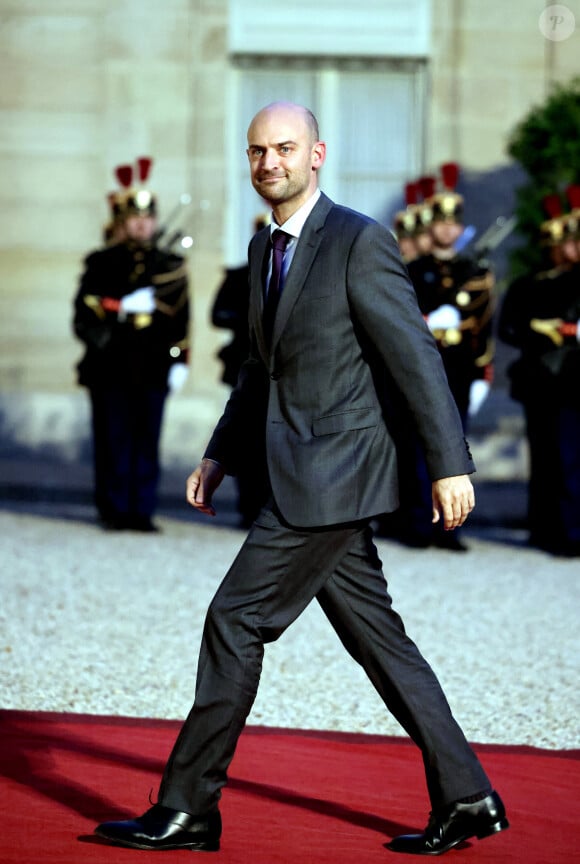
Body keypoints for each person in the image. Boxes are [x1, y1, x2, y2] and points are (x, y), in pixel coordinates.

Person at [95, 102, 508, 855]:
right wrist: (219, 453)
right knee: (383, 644)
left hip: (336, 476)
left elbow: (416, 356)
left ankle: (189, 807)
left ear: (317, 154)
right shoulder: (264, 251)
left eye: (284, 148)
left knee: (235, 618)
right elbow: (260, 367)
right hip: (299, 473)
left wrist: (450, 464)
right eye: (257, 152)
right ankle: (468, 794)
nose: (269, 163)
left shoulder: (360, 240)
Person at [73, 158, 191, 532]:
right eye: (134, 218)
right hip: (110, 365)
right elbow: (85, 313)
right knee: (113, 440)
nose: (142, 224)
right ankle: (113, 508)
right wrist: (122, 308)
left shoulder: (169, 263)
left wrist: (180, 360)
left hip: (153, 365)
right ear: (122, 222)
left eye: (148, 217)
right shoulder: (102, 262)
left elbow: (181, 318)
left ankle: (141, 510)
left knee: (146, 440)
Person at [398, 164, 495, 551]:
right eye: (442, 222)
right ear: (431, 226)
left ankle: (451, 528)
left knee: (458, 452)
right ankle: (421, 523)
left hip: (458, 369)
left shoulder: (474, 271)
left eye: (455, 224)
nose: (448, 229)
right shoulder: (413, 270)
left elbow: (483, 328)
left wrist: (482, 374)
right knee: (423, 447)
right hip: (424, 370)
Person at [498, 188, 580, 556]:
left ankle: (570, 531)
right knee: (545, 458)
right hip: (540, 382)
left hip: (573, 382)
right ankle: (545, 527)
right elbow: (509, 329)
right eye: (569, 242)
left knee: (569, 459)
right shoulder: (528, 285)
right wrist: (538, 329)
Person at [211, 214, 271, 526]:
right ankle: (249, 507)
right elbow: (218, 314)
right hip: (244, 368)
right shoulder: (239, 276)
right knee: (245, 441)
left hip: (281, 370)